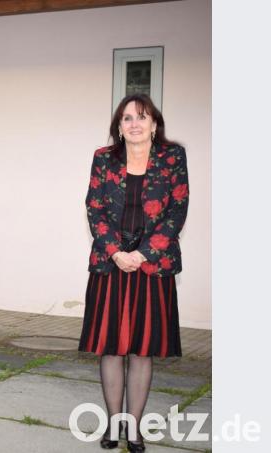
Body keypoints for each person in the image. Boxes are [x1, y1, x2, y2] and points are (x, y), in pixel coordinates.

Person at [78, 93, 189, 452]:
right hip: (111, 265)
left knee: (142, 350)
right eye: (127, 118)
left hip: (152, 266)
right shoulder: (103, 159)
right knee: (111, 349)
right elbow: (94, 208)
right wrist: (116, 251)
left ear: (155, 124)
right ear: (119, 127)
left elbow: (177, 209)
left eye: (142, 117)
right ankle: (113, 426)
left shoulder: (173, 157)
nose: (135, 124)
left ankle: (135, 428)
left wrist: (141, 253)